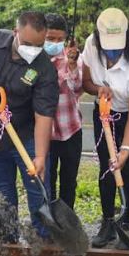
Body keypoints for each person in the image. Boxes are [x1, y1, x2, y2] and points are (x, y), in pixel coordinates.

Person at [0, 11, 58, 240]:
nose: (33, 49)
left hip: (25, 135)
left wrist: (41, 157)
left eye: (39, 44)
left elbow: (44, 116)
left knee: (38, 188)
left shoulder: (44, 68)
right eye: (27, 43)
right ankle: (9, 237)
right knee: (3, 189)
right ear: (15, 32)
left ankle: (41, 237)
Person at [82, 8, 129, 248]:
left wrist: (125, 148)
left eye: (117, 46)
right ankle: (107, 222)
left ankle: (126, 224)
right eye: (108, 46)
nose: (112, 52)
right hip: (105, 110)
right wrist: (98, 89)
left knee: (128, 166)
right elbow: (86, 83)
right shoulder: (91, 45)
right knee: (107, 167)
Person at [44, 13, 83, 210]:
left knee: (69, 180)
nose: (55, 43)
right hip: (45, 134)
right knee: (46, 179)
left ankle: (67, 219)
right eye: (50, 38)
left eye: (60, 39)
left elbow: (77, 88)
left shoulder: (71, 58)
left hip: (70, 130)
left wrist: (73, 66)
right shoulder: (35, 60)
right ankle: (49, 221)